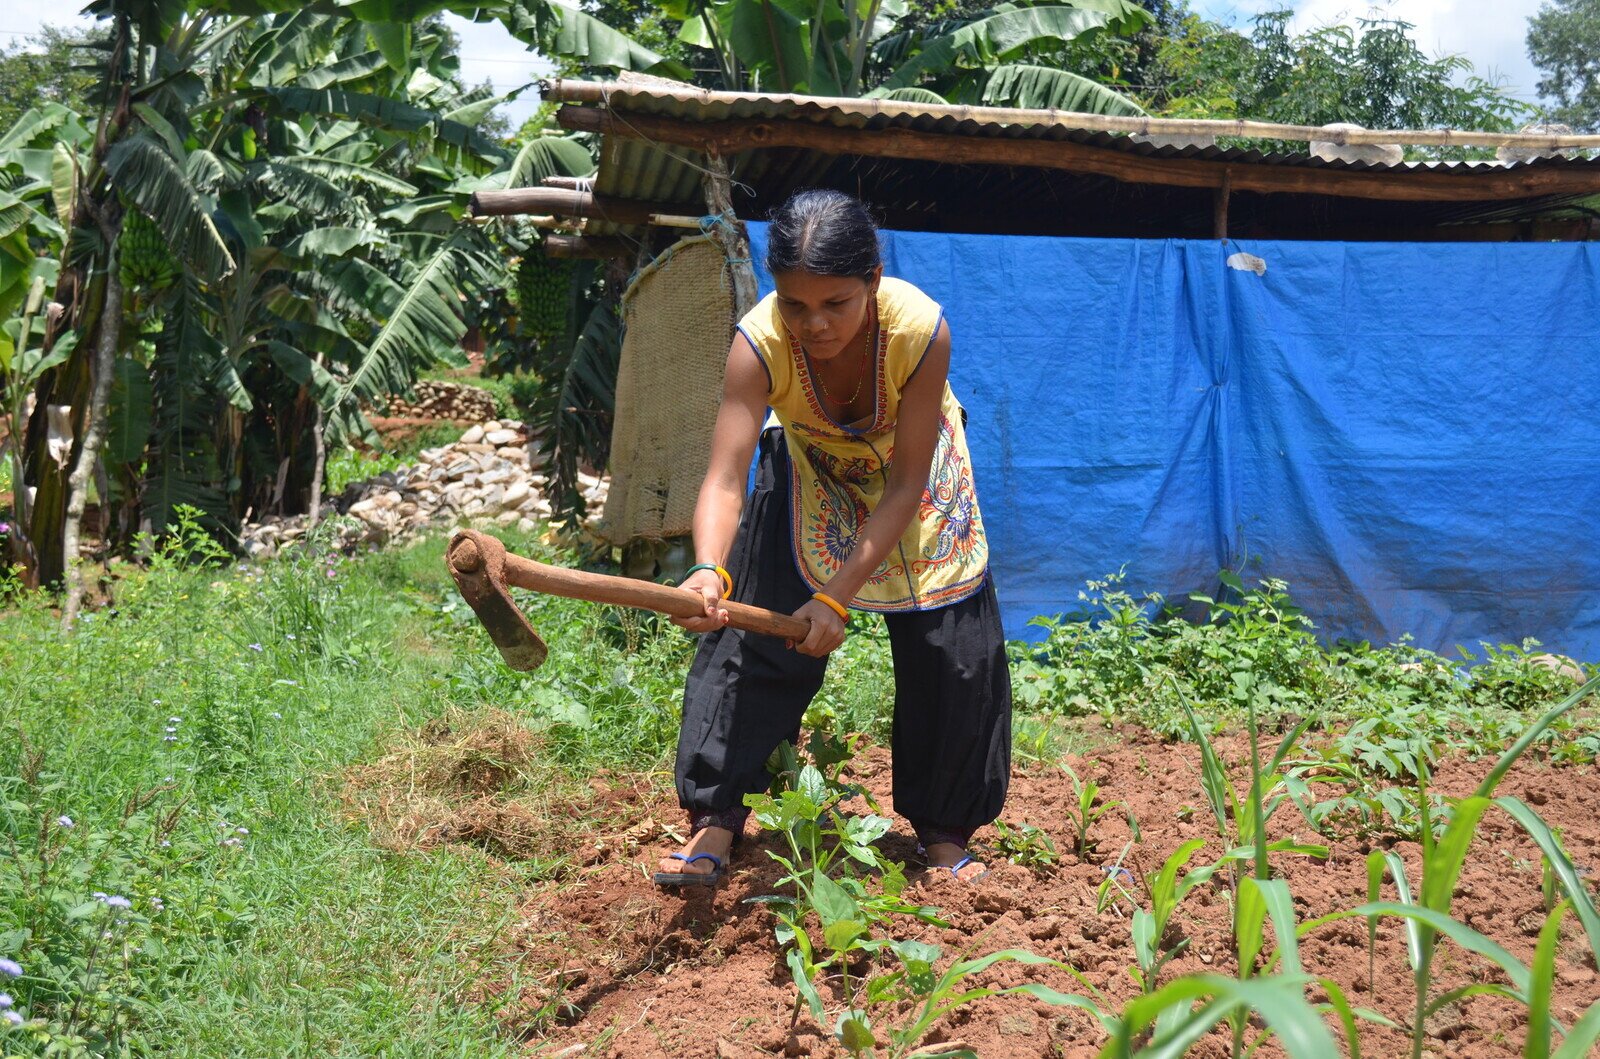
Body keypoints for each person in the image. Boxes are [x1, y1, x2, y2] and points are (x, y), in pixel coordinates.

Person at [651, 189, 1012, 889]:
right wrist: (705, 570)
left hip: (918, 474)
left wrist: (835, 597)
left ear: (872, 281)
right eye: (795, 305)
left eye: (836, 304)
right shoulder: (758, 346)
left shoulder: (920, 331)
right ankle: (716, 819)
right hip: (813, 467)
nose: (813, 324)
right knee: (751, 640)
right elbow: (725, 477)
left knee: (953, 657)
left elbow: (905, 485)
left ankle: (943, 834)